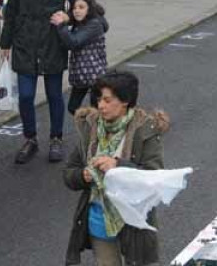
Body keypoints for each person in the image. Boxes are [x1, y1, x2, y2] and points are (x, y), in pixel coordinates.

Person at [64, 71, 169, 266]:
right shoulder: (91, 127)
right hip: (99, 219)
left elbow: (155, 176)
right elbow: (69, 172)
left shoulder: (145, 130)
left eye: (107, 100)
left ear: (125, 101)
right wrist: (82, 175)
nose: (100, 105)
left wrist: (118, 165)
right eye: (98, 99)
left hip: (132, 222)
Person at [1, 0, 80, 164]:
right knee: (26, 95)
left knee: (54, 94)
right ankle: (30, 139)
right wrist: (5, 43)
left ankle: (56, 138)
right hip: (25, 41)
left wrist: (69, 16)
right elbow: (12, 9)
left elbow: (81, 5)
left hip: (52, 42)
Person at [54, 0, 109, 114]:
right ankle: (90, 127)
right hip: (81, 76)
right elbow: (68, 42)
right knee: (73, 108)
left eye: (81, 7)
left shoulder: (94, 25)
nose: (77, 11)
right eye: (74, 8)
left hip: (95, 75)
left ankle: (96, 130)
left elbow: (74, 42)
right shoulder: (79, 23)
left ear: (89, 9)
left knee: (97, 110)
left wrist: (61, 25)